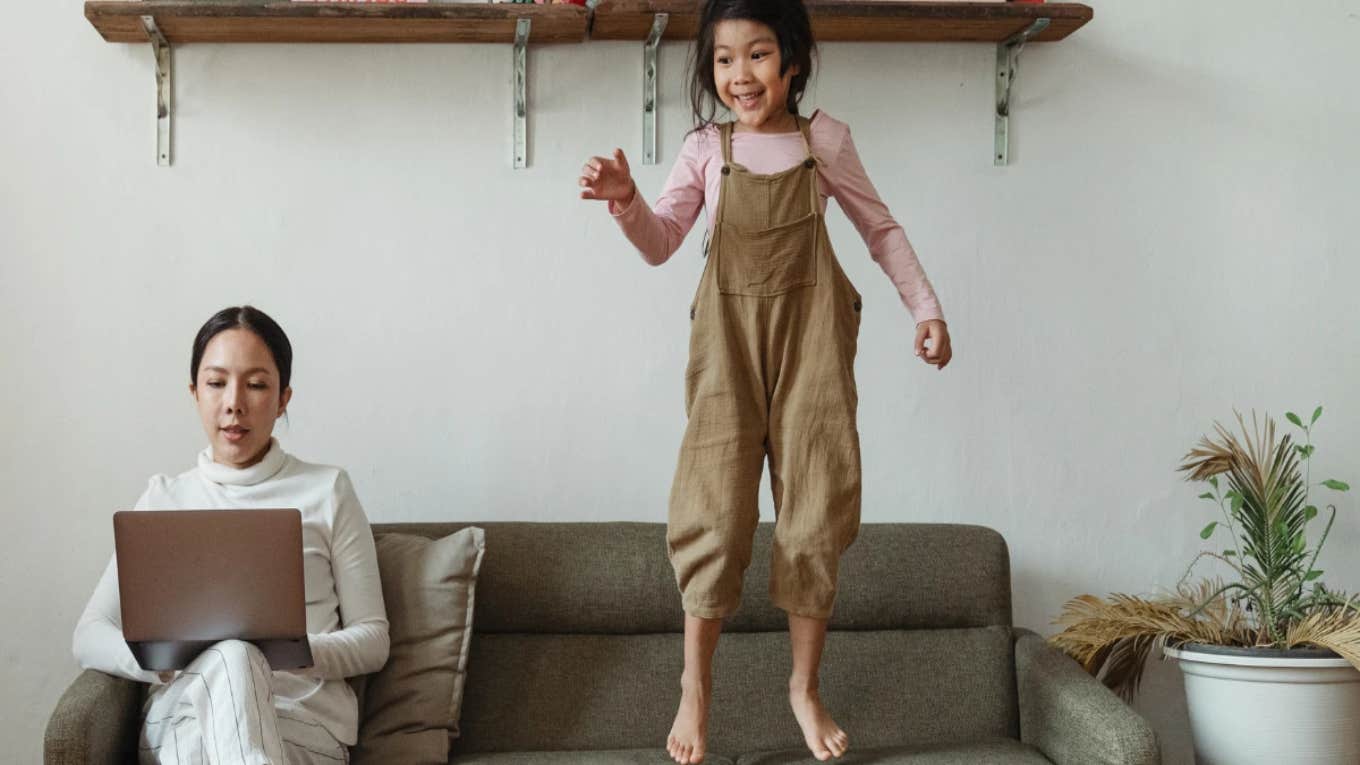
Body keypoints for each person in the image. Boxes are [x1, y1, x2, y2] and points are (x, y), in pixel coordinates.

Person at [578, 0, 954, 761]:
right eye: (723, 59)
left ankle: (804, 687)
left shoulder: (825, 143)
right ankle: (696, 687)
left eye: (756, 55)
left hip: (812, 352)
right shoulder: (703, 150)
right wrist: (626, 201)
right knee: (713, 517)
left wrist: (927, 307)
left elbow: (880, 228)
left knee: (813, 516)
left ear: (790, 61)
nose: (738, 74)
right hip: (726, 357)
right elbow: (662, 243)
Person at [72, 305, 389, 764]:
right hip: (184, 712)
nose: (234, 403)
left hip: (299, 722)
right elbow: (88, 635)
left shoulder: (328, 490)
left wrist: (288, 651)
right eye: (217, 383)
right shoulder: (164, 498)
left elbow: (373, 639)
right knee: (231, 658)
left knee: (239, 659)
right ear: (195, 392)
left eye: (257, 385)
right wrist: (164, 663)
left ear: (283, 399)